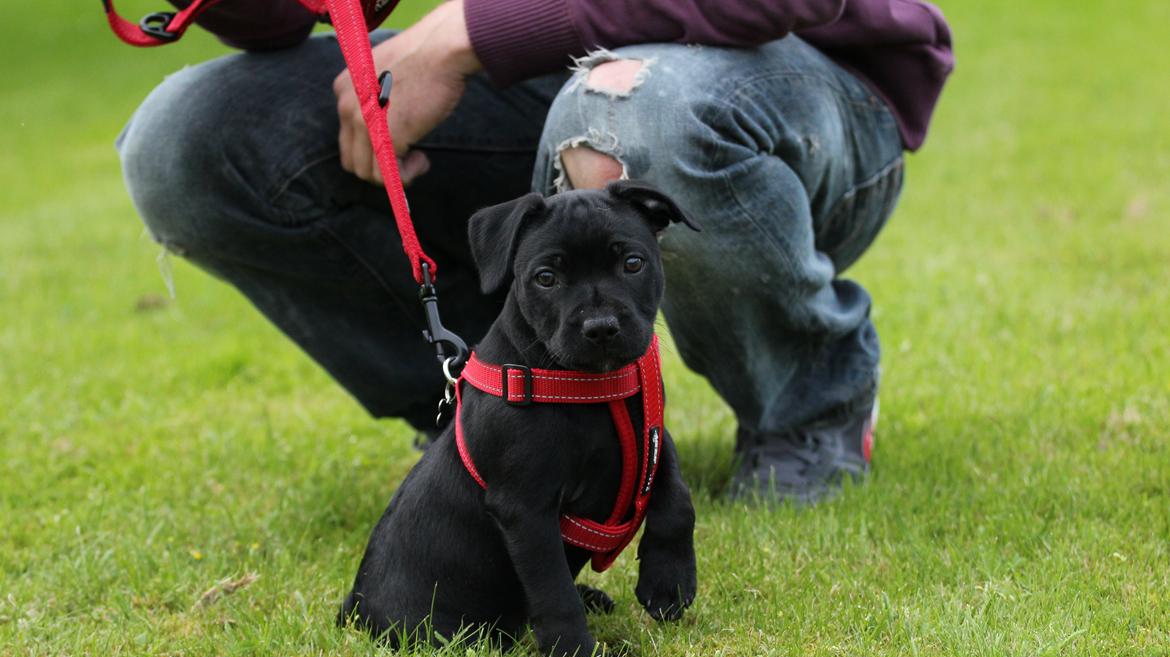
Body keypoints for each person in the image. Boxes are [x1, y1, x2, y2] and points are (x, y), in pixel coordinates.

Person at [117, 0, 953, 503]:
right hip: (530, 76)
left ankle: (807, 405)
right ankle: (498, 405)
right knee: (186, 143)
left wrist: (463, 33)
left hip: (795, 92)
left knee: (622, 111)